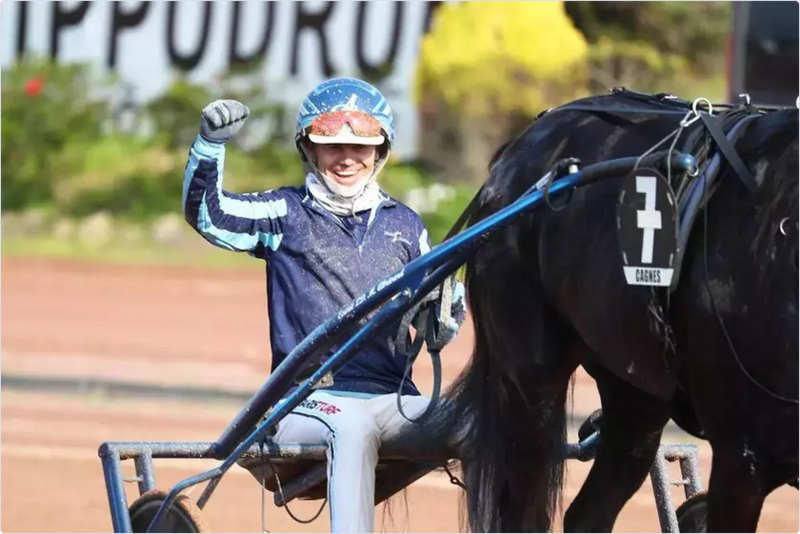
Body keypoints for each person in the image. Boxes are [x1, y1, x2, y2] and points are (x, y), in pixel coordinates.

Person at [182, 77, 465, 533]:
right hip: (307, 402)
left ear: (380, 151)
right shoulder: (283, 212)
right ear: (309, 149)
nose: (347, 158)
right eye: (332, 145)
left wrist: (446, 314)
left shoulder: (408, 225)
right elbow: (208, 215)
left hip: (393, 400)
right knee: (351, 426)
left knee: (478, 419)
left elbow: (437, 319)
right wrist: (210, 146)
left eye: (360, 146)